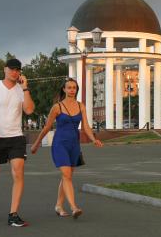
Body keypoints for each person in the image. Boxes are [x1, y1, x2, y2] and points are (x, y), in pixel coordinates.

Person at [31, 78, 103, 219]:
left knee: (67, 176)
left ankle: (58, 205)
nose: (71, 90)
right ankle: (74, 207)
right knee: (67, 175)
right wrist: (36, 143)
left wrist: (94, 139)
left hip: (74, 145)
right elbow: (47, 127)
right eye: (69, 87)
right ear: (64, 89)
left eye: (74, 87)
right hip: (60, 144)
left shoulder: (80, 106)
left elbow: (86, 127)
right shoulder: (57, 107)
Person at [0, 58, 35, 227]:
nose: (14, 72)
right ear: (5, 70)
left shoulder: (21, 90)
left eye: (18, 70)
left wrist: (25, 88)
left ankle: (13, 214)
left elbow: (29, 110)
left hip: (16, 138)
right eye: (11, 69)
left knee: (18, 172)